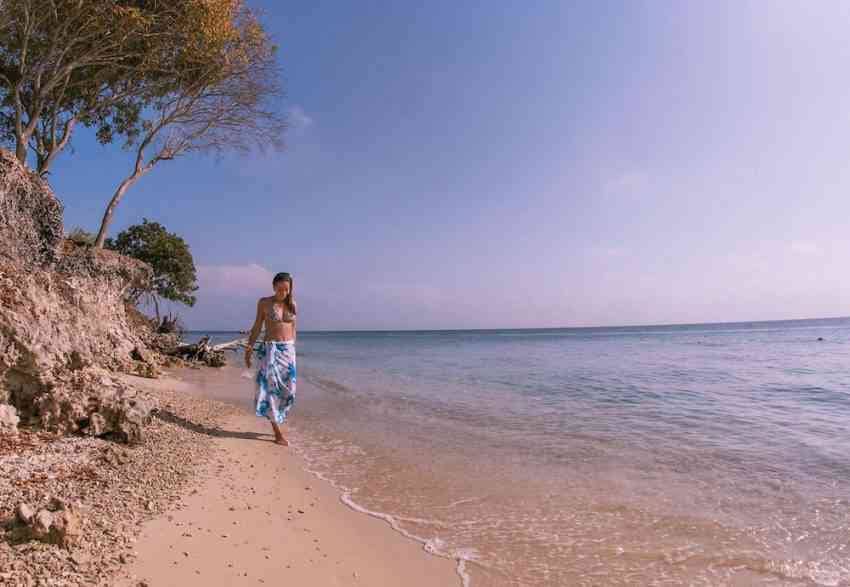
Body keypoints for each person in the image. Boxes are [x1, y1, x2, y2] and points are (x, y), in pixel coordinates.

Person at [245, 272, 297, 446]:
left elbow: (293, 329)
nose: (283, 292)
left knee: (289, 391)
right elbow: (257, 326)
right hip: (271, 350)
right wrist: (249, 347)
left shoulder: (292, 305)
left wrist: (292, 350)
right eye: (280, 288)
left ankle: (278, 420)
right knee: (270, 391)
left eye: (286, 289)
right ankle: (277, 432)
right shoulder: (265, 303)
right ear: (274, 286)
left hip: (288, 352)